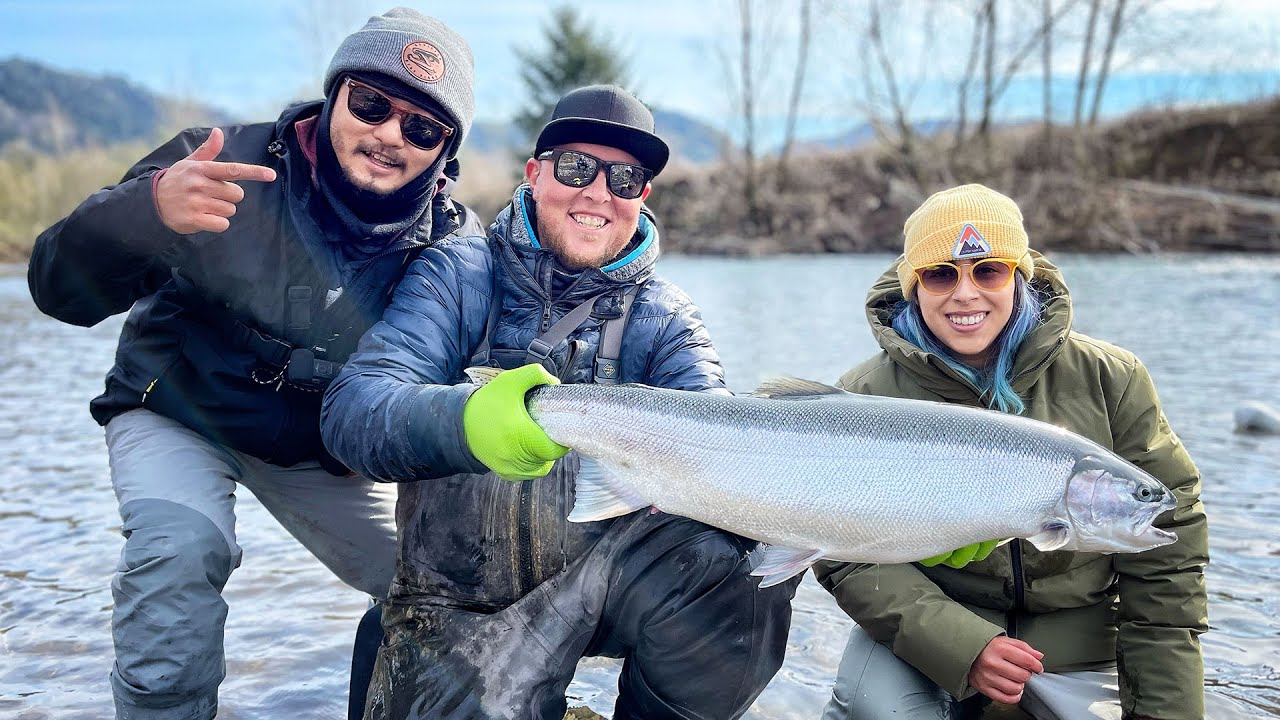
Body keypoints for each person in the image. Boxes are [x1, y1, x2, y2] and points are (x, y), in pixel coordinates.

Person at [26, 9, 481, 719]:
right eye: (372, 105)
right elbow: (57, 291)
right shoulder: (215, 161)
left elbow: (472, 379)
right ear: (334, 95)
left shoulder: (454, 246)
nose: (390, 135)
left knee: (440, 589)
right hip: (179, 412)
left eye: (422, 128)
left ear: (443, 151)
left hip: (320, 450)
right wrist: (145, 213)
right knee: (179, 554)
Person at [319, 84, 802, 719]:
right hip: (460, 599)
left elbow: (720, 447)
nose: (599, 193)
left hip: (610, 585)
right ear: (535, 174)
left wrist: (896, 517)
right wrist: (467, 420)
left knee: (746, 570)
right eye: (577, 167)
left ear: (642, 198)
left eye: (625, 179)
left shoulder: (667, 317)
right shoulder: (455, 276)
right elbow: (352, 412)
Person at [814, 184, 1210, 720]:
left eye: (988, 270)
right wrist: (961, 645)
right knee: (874, 710)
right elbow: (841, 549)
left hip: (1081, 640)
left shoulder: (1110, 378)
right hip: (925, 629)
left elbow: (1170, 565)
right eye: (940, 274)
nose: (965, 293)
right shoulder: (864, 395)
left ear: (1019, 276)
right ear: (914, 287)